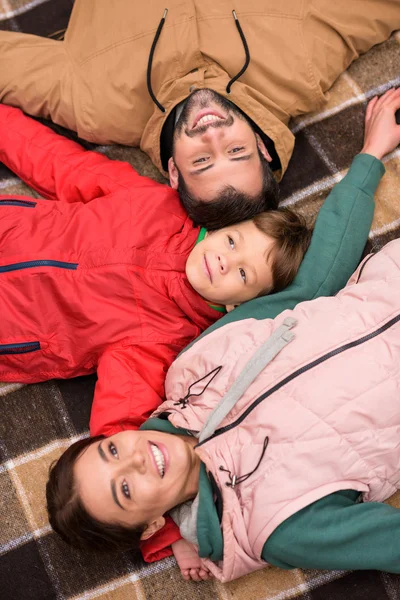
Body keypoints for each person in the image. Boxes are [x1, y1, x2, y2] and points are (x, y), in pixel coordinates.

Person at [46, 90, 400, 581]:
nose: (133, 461)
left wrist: (369, 157)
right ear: (151, 526)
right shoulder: (275, 529)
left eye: (110, 451)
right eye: (124, 491)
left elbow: (315, 283)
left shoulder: (192, 365)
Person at [0, 101, 311, 561]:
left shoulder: (162, 340)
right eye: (232, 241)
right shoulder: (153, 201)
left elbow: (122, 432)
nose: (226, 260)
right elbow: (62, 165)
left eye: (242, 275)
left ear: (237, 305)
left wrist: (167, 534)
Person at [1, 1, 399, 228]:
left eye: (203, 160)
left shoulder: (94, 104)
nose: (213, 135)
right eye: (237, 151)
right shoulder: (302, 69)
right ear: (261, 145)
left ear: (173, 171)